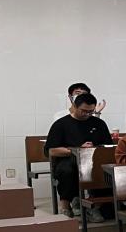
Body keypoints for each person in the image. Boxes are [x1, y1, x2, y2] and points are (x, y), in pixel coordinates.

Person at [45, 92, 113, 220]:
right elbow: (52, 150)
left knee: (106, 170)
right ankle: (66, 207)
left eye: (91, 111)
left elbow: (108, 146)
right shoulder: (61, 124)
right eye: (84, 111)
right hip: (69, 159)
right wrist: (77, 150)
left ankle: (95, 206)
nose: (87, 114)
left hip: (94, 160)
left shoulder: (99, 124)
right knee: (66, 171)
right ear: (75, 107)